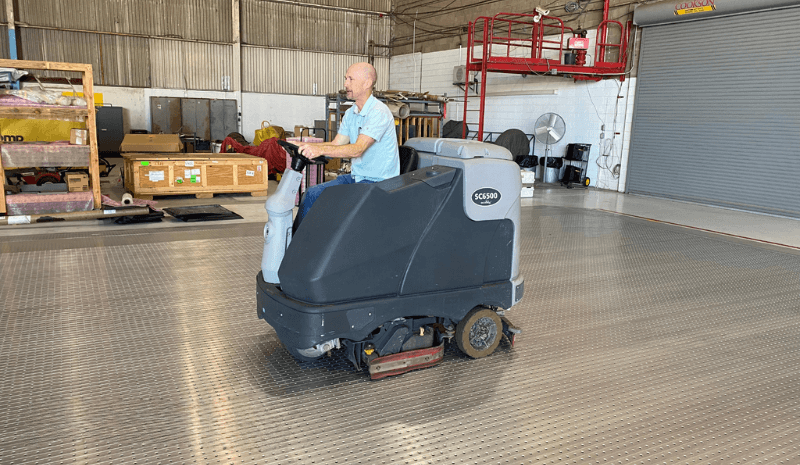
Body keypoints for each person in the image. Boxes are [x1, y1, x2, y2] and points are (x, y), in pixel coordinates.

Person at [295, 62, 399, 223]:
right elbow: (337, 143)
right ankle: (300, 244)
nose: (345, 84)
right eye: (346, 78)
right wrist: (306, 146)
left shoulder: (379, 112)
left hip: (379, 182)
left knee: (336, 207)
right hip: (358, 177)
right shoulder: (351, 113)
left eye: (351, 79)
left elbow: (357, 149)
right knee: (312, 194)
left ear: (367, 83)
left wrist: (319, 151)